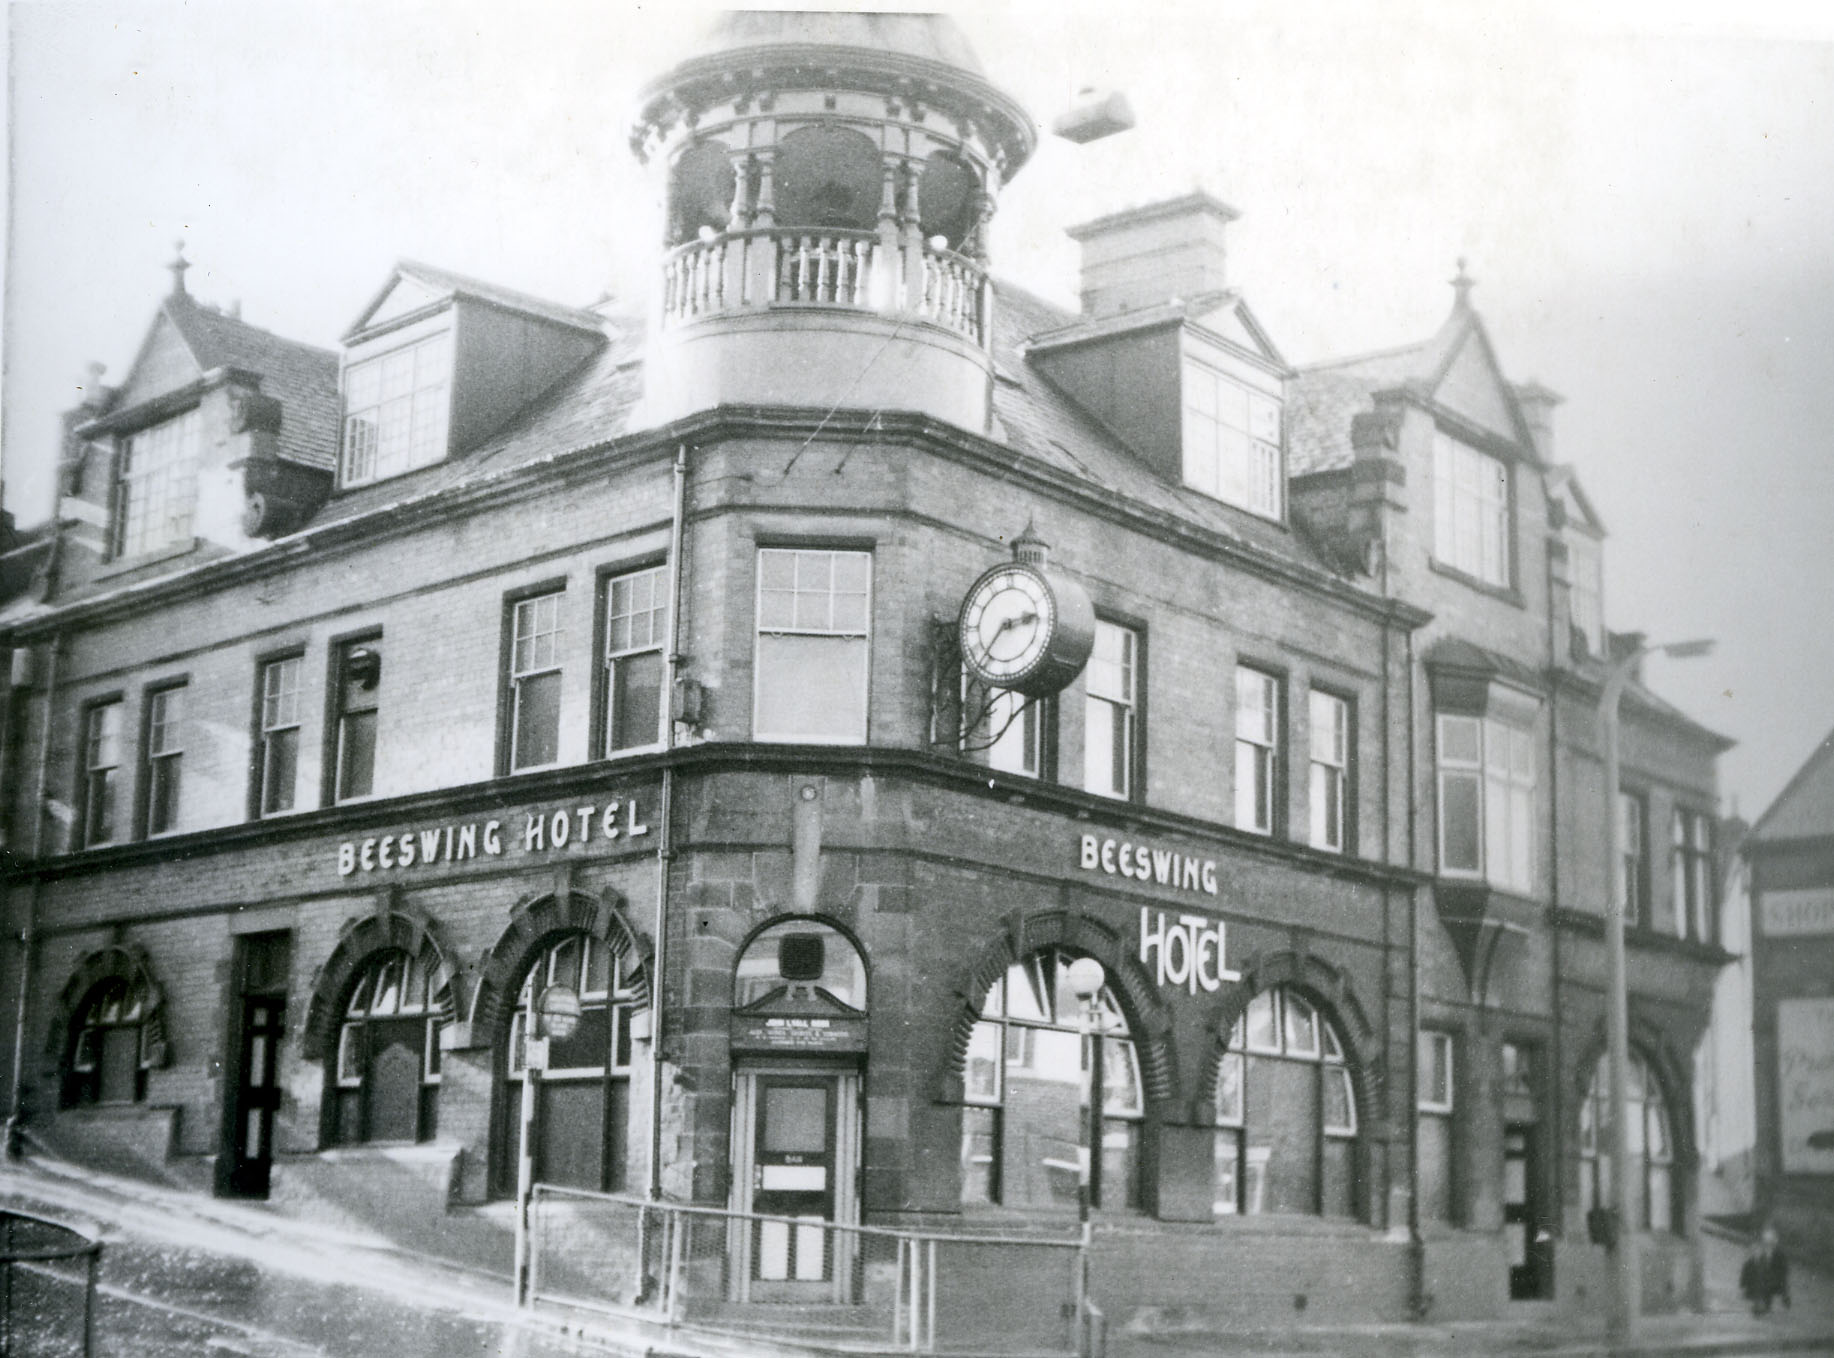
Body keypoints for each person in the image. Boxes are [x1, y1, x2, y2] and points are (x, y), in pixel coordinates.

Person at [1739, 1226, 1791, 1316]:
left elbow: (1783, 1275)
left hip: (1772, 1282)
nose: (1767, 1246)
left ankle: (1763, 1303)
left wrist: (1785, 1295)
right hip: (1759, 1280)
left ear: (1774, 1243)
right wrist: (1743, 1284)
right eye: (1765, 1243)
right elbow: (1747, 1267)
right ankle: (1757, 1301)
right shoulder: (1758, 1251)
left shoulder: (1780, 1255)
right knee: (1757, 1274)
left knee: (1766, 1283)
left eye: (1770, 1243)